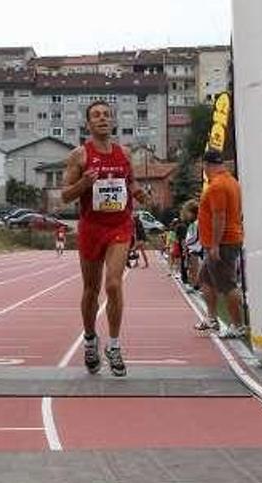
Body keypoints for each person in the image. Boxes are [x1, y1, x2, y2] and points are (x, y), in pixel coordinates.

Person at [61, 100, 149, 377]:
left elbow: (130, 181)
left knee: (113, 284)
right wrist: (84, 184)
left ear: (112, 122)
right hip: (91, 227)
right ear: (88, 124)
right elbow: (65, 195)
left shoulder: (124, 153)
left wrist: (139, 193)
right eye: (96, 116)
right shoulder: (79, 156)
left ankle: (113, 344)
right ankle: (90, 340)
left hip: (119, 227)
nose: (102, 119)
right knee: (91, 290)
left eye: (106, 115)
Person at [194, 150, 248, 340]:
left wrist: (215, 245)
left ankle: (238, 325)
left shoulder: (217, 186)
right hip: (225, 239)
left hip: (222, 242)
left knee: (227, 284)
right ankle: (212, 317)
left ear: (207, 165)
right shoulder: (232, 182)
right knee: (205, 278)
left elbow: (219, 215)